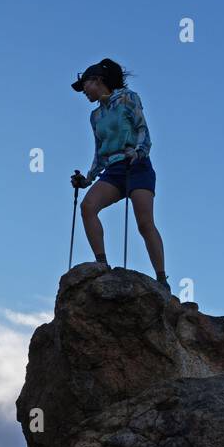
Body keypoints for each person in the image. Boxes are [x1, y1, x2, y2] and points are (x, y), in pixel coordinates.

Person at [70, 58, 168, 289]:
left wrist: (139, 152)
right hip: (113, 169)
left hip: (137, 165)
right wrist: (87, 179)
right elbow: (99, 153)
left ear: (98, 80)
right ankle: (101, 265)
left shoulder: (128, 98)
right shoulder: (95, 117)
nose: (83, 90)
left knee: (144, 223)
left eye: (85, 84)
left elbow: (143, 129)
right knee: (88, 207)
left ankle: (162, 279)